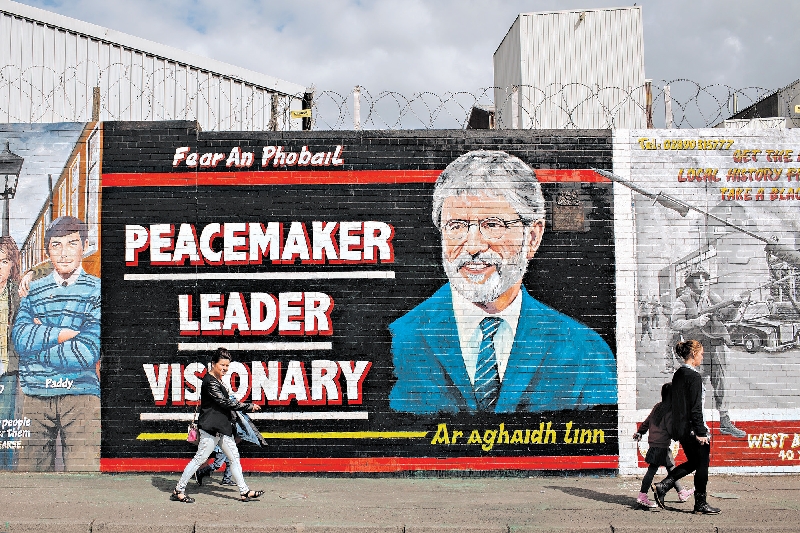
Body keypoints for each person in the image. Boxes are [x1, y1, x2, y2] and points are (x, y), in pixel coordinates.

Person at [389, 150, 617, 414]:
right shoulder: (401, 340)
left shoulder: (584, 354)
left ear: (532, 237)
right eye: (456, 226)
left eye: (492, 224)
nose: (472, 245)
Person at [12, 216, 101, 471]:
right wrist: (66, 334)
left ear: (84, 245)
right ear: (47, 250)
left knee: (84, 478)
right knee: (31, 481)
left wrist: (39, 340)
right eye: (56, 245)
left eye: (72, 244)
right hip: (36, 397)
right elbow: (20, 340)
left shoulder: (97, 291)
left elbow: (86, 352)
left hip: (82, 397)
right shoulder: (35, 290)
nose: (64, 253)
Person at [172, 348, 263, 503]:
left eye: (227, 366)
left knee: (234, 458)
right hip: (211, 430)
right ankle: (178, 490)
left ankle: (244, 491)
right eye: (222, 365)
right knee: (199, 459)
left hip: (222, 429)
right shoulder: (210, 382)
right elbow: (224, 402)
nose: (225, 368)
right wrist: (248, 406)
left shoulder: (217, 381)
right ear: (213, 364)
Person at [671, 269, 745, 438]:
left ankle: (725, 422)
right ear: (689, 282)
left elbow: (727, 317)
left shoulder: (713, 297)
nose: (703, 281)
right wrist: (695, 322)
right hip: (696, 348)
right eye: (698, 278)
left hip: (716, 345)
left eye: (705, 278)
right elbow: (675, 323)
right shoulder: (682, 300)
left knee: (721, 384)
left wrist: (735, 305)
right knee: (697, 386)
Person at [652, 340, 721, 515]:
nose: (702, 357)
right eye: (701, 354)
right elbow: (695, 408)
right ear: (693, 354)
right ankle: (701, 504)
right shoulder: (694, 377)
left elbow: (678, 405)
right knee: (702, 464)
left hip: (682, 428)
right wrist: (700, 431)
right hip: (693, 429)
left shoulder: (679, 374)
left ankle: (663, 486)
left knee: (694, 462)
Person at [633, 383, 693, 510]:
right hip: (661, 446)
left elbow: (647, 421)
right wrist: (682, 436)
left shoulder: (658, 407)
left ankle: (681, 492)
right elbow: (671, 429)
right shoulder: (670, 410)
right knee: (652, 470)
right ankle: (642, 496)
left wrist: (640, 432)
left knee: (671, 468)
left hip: (656, 443)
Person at [0, 237, 21, 469]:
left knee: (6, 423)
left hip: (7, 369)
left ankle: (5, 470)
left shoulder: (16, 292)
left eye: (4, 261)